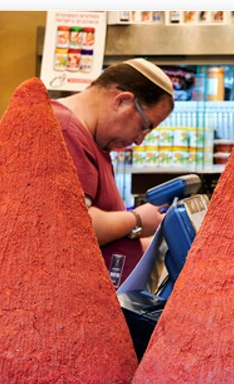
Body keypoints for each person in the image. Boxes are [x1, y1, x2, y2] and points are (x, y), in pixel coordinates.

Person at [51, 58, 175, 284]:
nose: (139, 140)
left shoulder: (93, 138)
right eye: (144, 127)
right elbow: (70, 225)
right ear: (123, 101)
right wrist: (137, 220)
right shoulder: (65, 131)